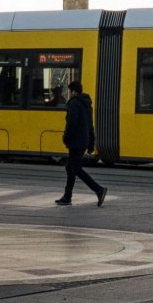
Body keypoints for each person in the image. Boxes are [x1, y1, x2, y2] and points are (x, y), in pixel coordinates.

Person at [55, 78, 106, 207]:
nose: (69, 93)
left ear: (74, 92)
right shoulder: (86, 103)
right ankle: (67, 196)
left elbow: (71, 124)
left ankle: (99, 190)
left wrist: (66, 138)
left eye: (70, 91)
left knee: (75, 168)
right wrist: (91, 141)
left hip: (76, 141)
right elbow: (90, 124)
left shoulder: (74, 104)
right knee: (70, 167)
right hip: (83, 140)